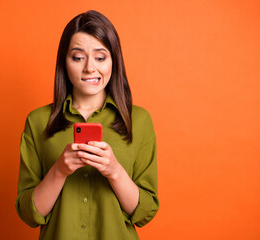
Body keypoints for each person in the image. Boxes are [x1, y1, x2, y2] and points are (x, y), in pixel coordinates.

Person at [15, 10, 159, 240]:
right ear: (65, 61)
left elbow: (144, 212)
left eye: (100, 57)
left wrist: (114, 171)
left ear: (114, 61)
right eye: (78, 57)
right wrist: (59, 170)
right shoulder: (38, 121)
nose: (90, 68)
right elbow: (29, 214)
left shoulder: (139, 121)